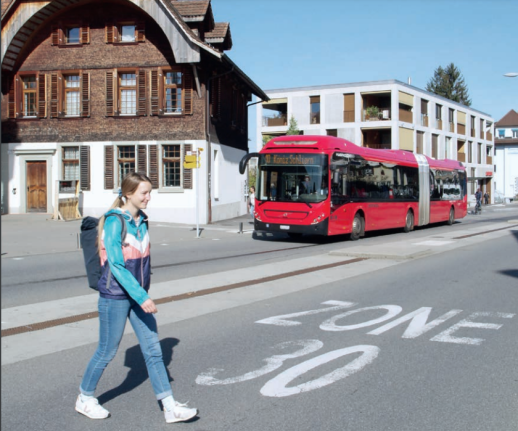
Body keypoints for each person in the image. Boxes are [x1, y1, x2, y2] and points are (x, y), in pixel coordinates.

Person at [75, 172, 197, 424]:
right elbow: (117, 266)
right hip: (116, 296)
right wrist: (142, 297)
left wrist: (141, 294)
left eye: (150, 192)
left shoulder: (141, 220)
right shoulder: (114, 222)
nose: (148, 197)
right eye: (144, 192)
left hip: (137, 296)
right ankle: (85, 398)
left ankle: (169, 406)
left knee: (153, 350)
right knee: (107, 351)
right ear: (128, 193)